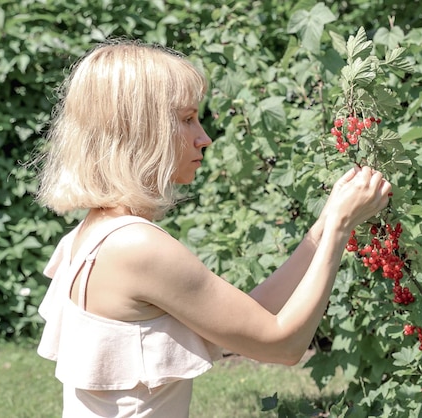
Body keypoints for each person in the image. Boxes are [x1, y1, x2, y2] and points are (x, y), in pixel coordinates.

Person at [33, 40, 393, 418]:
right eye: (187, 119)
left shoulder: (89, 236)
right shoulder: (136, 246)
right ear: (140, 130)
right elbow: (282, 346)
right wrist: (339, 228)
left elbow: (249, 320)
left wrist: (320, 231)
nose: (204, 137)